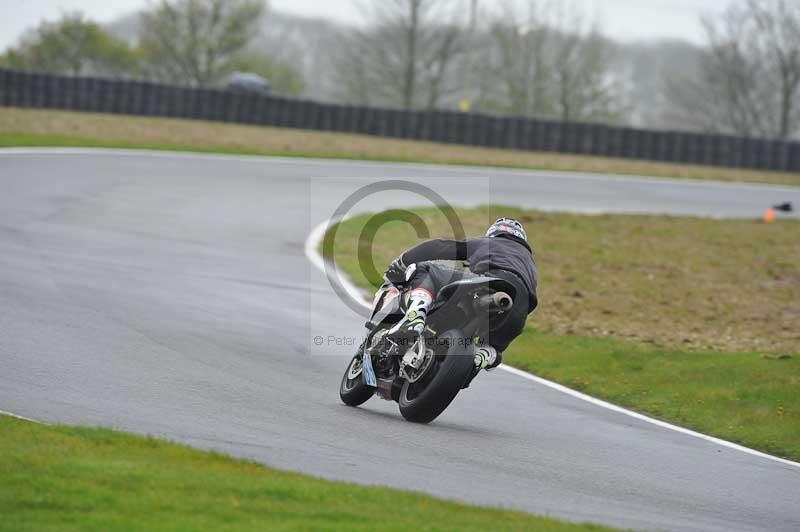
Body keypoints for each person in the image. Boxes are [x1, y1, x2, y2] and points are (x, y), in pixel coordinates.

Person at [383, 218, 538, 372]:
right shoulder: (530, 265)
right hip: (518, 311)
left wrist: (403, 261)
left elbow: (439, 247)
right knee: (495, 350)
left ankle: (415, 316)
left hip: (491, 281)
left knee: (426, 269)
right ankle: (481, 357)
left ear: (494, 233)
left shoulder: (489, 243)